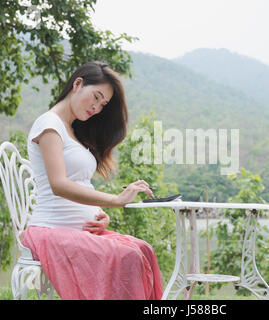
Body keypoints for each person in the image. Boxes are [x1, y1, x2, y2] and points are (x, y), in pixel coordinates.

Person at [21, 61, 163, 300]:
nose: (96, 108)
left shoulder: (73, 130)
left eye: (103, 104)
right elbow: (59, 184)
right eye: (95, 97)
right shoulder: (49, 125)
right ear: (78, 84)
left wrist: (97, 213)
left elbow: (81, 183)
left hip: (80, 230)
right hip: (51, 230)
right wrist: (115, 200)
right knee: (128, 257)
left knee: (143, 250)